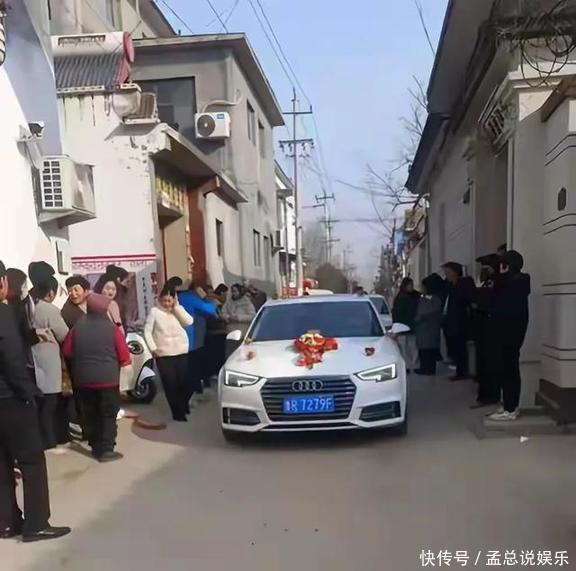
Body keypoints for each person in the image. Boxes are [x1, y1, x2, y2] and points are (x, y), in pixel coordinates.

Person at [0, 260, 71, 542]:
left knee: (2, 462)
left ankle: (7, 522)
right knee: (31, 461)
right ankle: (36, 524)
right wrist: (28, 392)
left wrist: (29, 336)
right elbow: (10, 358)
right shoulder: (3, 312)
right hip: (11, 399)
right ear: (2, 282)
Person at [62, 294, 131, 461]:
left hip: (83, 380)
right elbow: (124, 355)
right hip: (108, 381)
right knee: (108, 415)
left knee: (90, 414)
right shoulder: (112, 329)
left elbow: (67, 351)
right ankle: (106, 449)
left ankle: (95, 445)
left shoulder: (77, 327)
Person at [488, 250, 531, 421]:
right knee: (507, 369)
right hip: (511, 332)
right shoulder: (516, 282)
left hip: (509, 333)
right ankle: (508, 404)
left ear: (506, 265)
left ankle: (510, 408)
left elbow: (497, 302)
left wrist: (498, 277)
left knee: (509, 370)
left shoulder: (513, 283)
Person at [144, 282, 194, 422]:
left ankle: (183, 405)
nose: (166, 304)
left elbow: (189, 322)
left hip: (181, 351)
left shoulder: (178, 310)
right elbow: (147, 331)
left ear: (174, 299)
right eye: (164, 300)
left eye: (169, 300)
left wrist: (176, 308)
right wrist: (153, 348)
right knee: (170, 384)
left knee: (185, 383)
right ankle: (177, 413)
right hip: (163, 354)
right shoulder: (155, 312)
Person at [31, 277, 70, 452]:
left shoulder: (30, 307)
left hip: (34, 360)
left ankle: (46, 438)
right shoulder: (50, 310)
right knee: (51, 404)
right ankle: (50, 439)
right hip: (50, 360)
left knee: (42, 404)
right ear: (51, 292)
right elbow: (63, 334)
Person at [174, 279, 218, 402]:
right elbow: (210, 310)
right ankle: (194, 391)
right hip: (192, 340)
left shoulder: (175, 298)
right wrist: (206, 298)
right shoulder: (190, 298)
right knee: (194, 367)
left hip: (177, 340)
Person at [470, 254, 501, 409]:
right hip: (481, 330)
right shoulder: (485, 282)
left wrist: (479, 304)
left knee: (489, 364)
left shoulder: (496, 282)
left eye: (485, 267)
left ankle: (490, 395)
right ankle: (484, 394)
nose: (483, 270)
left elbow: (486, 303)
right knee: (482, 363)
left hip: (490, 330)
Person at [441, 262, 476, 381]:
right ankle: (459, 370)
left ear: (454, 272)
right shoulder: (449, 286)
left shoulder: (463, 284)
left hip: (459, 322)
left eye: (447, 272)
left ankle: (462, 372)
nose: (446, 274)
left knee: (460, 348)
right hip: (450, 322)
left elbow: (468, 301)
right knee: (454, 347)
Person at [414, 274, 444, 375]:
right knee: (427, 350)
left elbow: (423, 312)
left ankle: (427, 369)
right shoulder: (429, 298)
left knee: (427, 351)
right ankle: (427, 368)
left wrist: (417, 319)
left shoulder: (431, 299)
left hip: (427, 329)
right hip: (428, 330)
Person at [392, 278, 420, 372]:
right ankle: (406, 366)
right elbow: (396, 313)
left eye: (412, 285)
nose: (411, 287)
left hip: (412, 326)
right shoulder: (400, 298)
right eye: (409, 285)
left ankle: (414, 366)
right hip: (402, 327)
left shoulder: (416, 296)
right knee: (404, 348)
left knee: (413, 347)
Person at [221, 284, 256, 357]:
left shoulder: (247, 303)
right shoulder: (228, 302)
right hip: (231, 334)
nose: (233, 293)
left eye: (235, 291)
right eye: (232, 291)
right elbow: (223, 312)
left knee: (243, 355)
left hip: (243, 334)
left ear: (240, 292)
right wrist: (227, 317)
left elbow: (252, 316)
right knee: (231, 355)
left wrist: (239, 318)